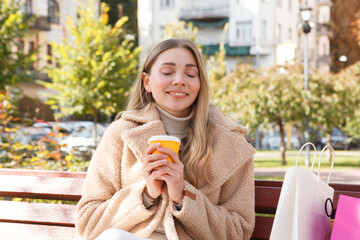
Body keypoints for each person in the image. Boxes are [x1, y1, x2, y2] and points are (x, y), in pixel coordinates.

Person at [75, 38, 256, 240]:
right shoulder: (121, 134)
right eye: (167, 72)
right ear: (147, 82)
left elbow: (238, 231)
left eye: (190, 74)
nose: (179, 80)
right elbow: (87, 223)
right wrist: (146, 194)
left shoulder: (231, 145)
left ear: (200, 84)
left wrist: (182, 195)